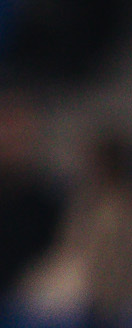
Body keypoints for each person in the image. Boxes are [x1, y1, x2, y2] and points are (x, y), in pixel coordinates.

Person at [20, 129, 132, 328]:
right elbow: (67, 249)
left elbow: (128, 264)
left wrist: (109, 305)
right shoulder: (81, 200)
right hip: (78, 292)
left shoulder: (130, 206)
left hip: (116, 298)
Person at [0, 93, 61, 299]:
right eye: (5, 130)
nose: (10, 141)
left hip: (28, 297)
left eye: (18, 133)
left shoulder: (48, 201)